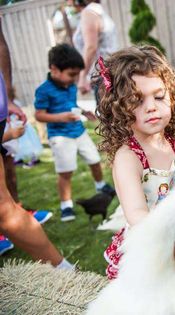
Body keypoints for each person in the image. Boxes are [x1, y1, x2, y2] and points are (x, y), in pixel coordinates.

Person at [92, 45, 175, 280]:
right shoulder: (128, 158)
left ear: (171, 94)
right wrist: (164, 241)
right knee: (160, 287)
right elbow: (135, 213)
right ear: (118, 109)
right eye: (137, 100)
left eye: (158, 96)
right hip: (153, 235)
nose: (152, 106)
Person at [0, 17, 74, 269]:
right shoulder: (45, 89)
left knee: (5, 209)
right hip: (59, 136)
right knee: (5, 209)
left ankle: (62, 269)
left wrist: (6, 98)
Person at [34, 43, 114, 222]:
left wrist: (83, 112)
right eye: (71, 74)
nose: (75, 79)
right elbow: (39, 115)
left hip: (78, 131)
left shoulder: (70, 87)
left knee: (94, 160)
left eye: (77, 74)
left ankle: (100, 186)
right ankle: (66, 205)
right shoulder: (43, 91)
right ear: (54, 69)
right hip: (60, 136)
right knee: (66, 171)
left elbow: (72, 106)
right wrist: (61, 117)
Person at [72, 0, 118, 97]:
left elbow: (91, 47)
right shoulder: (98, 10)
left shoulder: (89, 13)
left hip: (102, 77)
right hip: (109, 72)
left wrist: (82, 77)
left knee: (105, 109)